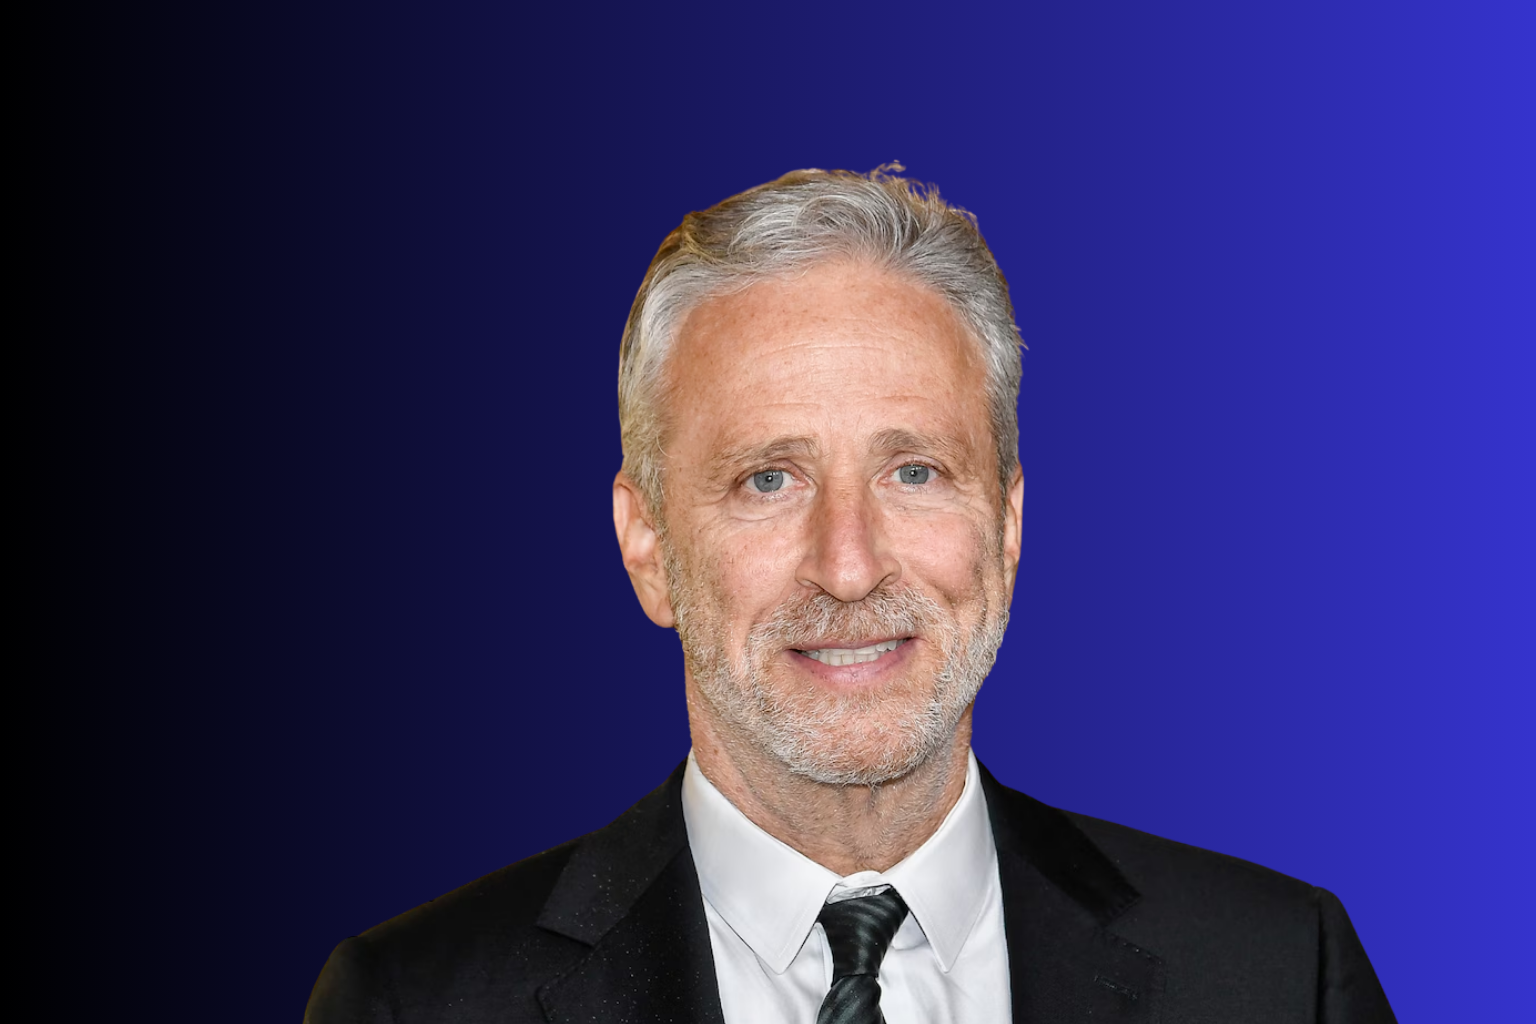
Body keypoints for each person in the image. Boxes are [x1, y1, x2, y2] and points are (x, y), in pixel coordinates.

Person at [305, 167, 1395, 1023]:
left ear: (1007, 525)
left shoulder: (1277, 975)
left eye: (913, 471)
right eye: (767, 479)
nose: (849, 563)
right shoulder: (414, 1002)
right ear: (648, 546)